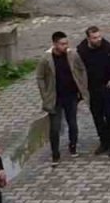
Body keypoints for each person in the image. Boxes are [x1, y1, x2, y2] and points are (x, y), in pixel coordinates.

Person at [36, 31, 88, 164]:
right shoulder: (46, 59)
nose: (65, 46)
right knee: (55, 127)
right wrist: (45, 93)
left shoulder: (72, 55)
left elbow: (81, 69)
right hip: (55, 98)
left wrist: (81, 86)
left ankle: (73, 145)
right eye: (62, 44)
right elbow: (40, 77)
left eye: (66, 43)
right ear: (54, 44)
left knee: (73, 123)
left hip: (71, 96)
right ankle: (55, 153)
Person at [77, 26, 110, 156]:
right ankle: (103, 141)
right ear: (88, 38)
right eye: (95, 38)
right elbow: (78, 69)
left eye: (99, 36)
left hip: (107, 86)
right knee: (97, 116)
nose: (98, 39)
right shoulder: (82, 50)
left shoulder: (109, 49)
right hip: (92, 88)